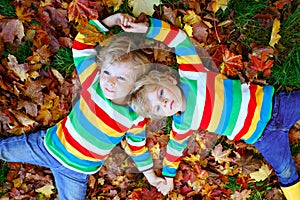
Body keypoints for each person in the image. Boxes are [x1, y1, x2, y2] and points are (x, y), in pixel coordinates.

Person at [127, 18, 300, 199]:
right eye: (158, 108)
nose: (163, 103)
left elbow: (178, 40)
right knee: (286, 172)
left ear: (170, 80)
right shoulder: (182, 124)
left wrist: (147, 28)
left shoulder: (191, 75)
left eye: (161, 93)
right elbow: (173, 151)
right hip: (264, 138)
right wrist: (168, 178)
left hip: (276, 106)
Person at [0, 13, 165, 200]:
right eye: (107, 72)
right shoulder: (93, 82)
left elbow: (138, 147)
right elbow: (81, 46)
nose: (110, 82)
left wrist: (151, 176)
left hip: (77, 173)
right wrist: (110, 21)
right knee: (5, 151)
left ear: (137, 84)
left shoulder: (135, 116)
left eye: (121, 78)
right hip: (48, 146)